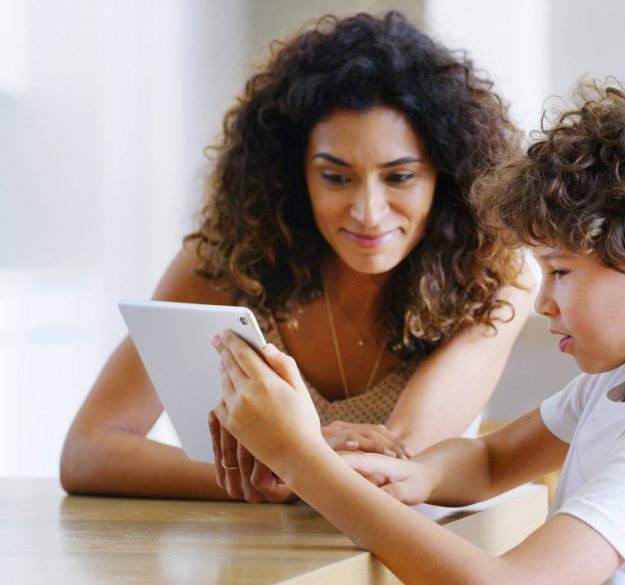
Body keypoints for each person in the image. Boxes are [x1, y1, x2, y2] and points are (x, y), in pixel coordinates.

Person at [211, 79, 625, 583]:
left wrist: (298, 456)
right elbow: (491, 462)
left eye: (559, 272)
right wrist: (414, 476)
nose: (542, 301)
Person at [59, 11, 531, 503]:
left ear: (447, 178)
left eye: (399, 177)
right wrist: (278, 470)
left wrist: (289, 459)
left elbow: (394, 465)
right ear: (293, 174)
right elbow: (87, 452)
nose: (368, 213)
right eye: (335, 177)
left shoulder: (494, 276)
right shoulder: (224, 263)